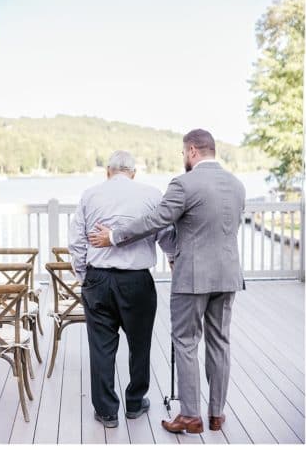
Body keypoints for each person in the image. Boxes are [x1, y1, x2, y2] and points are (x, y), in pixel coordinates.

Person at [89, 129, 245, 434]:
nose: (184, 158)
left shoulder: (184, 184)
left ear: (191, 151)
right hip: (228, 276)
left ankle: (190, 415)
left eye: (183, 153)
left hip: (191, 277)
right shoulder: (237, 185)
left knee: (186, 342)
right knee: (220, 342)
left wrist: (114, 236)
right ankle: (216, 413)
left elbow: (155, 221)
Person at [68, 150, 175, 428]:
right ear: (133, 172)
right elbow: (165, 235)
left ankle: (106, 411)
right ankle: (135, 403)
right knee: (140, 345)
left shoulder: (90, 195)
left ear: (107, 171)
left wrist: (84, 276)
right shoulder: (152, 194)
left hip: (98, 279)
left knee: (101, 347)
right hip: (137, 281)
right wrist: (175, 259)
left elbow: (77, 242)